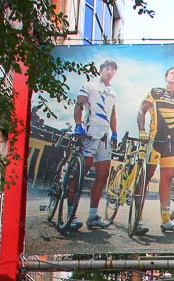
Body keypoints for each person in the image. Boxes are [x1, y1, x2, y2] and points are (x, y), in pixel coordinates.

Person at [63, 59, 118, 231]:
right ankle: (71, 215)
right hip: (89, 134)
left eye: (113, 69)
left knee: (102, 176)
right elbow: (79, 104)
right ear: (101, 70)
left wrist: (115, 132)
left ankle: (93, 216)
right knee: (80, 175)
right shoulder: (89, 85)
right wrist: (78, 124)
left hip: (104, 138)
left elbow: (112, 115)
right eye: (107, 68)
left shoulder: (112, 92)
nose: (110, 71)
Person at [136, 66, 174, 235]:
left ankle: (166, 220)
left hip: (171, 144)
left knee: (167, 179)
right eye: (171, 72)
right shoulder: (156, 92)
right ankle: (137, 218)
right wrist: (142, 131)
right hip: (154, 140)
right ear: (166, 77)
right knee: (146, 178)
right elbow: (141, 111)